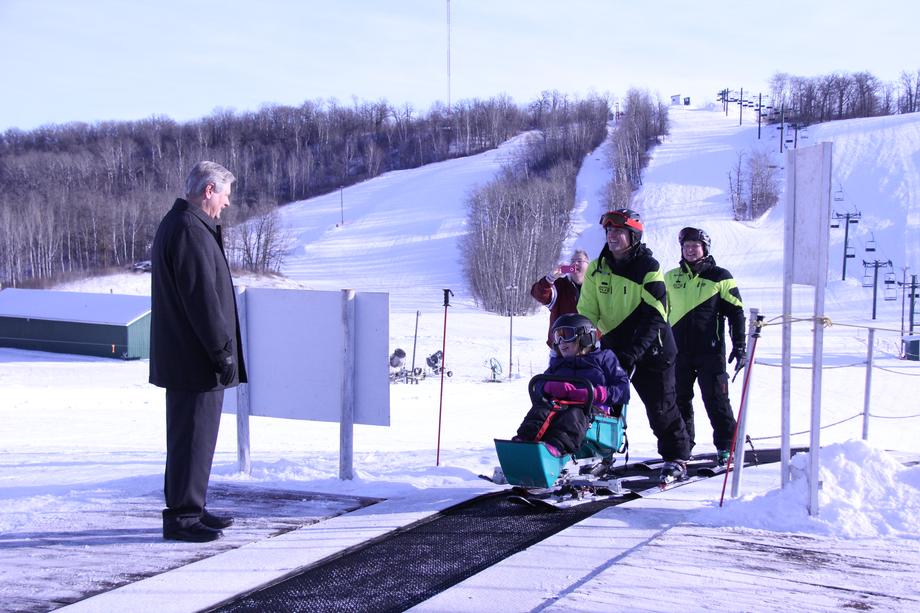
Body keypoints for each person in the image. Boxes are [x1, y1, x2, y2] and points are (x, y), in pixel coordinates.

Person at [149, 161, 247, 543]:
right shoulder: (190, 229)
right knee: (192, 436)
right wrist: (222, 353)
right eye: (224, 195)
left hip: (189, 357)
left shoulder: (185, 225)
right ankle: (183, 517)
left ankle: (191, 507)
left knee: (194, 437)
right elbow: (202, 299)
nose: (226, 204)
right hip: (196, 359)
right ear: (209, 190)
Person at [577, 209, 691, 482]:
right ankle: (601, 456)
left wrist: (633, 353)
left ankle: (677, 457)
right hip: (614, 345)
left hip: (654, 348)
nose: (613, 236)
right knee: (603, 405)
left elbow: (656, 316)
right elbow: (587, 313)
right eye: (609, 231)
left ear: (634, 236)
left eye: (619, 232)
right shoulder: (597, 267)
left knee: (661, 407)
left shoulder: (648, 268)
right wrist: (583, 347)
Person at [665, 227, 746, 465]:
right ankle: (683, 446)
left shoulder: (720, 276)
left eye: (695, 246)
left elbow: (736, 312)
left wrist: (740, 344)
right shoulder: (670, 277)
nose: (690, 250)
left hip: (710, 351)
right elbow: (658, 312)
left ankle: (726, 446)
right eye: (686, 246)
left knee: (716, 400)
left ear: (705, 249)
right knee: (679, 400)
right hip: (678, 351)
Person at [514, 313, 630, 457]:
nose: (561, 341)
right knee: (542, 408)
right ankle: (524, 441)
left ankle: (556, 448)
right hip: (560, 405)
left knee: (573, 413)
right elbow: (539, 384)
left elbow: (623, 390)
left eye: (566, 334)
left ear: (585, 336)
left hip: (594, 411)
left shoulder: (604, 358)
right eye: (557, 336)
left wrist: (593, 393)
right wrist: (547, 387)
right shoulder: (558, 362)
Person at [530, 249, 590, 350]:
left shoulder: (596, 287)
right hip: (562, 350)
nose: (575, 263)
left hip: (588, 348)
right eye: (572, 261)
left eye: (579, 261)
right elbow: (538, 294)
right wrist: (551, 278)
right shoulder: (560, 286)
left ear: (589, 265)